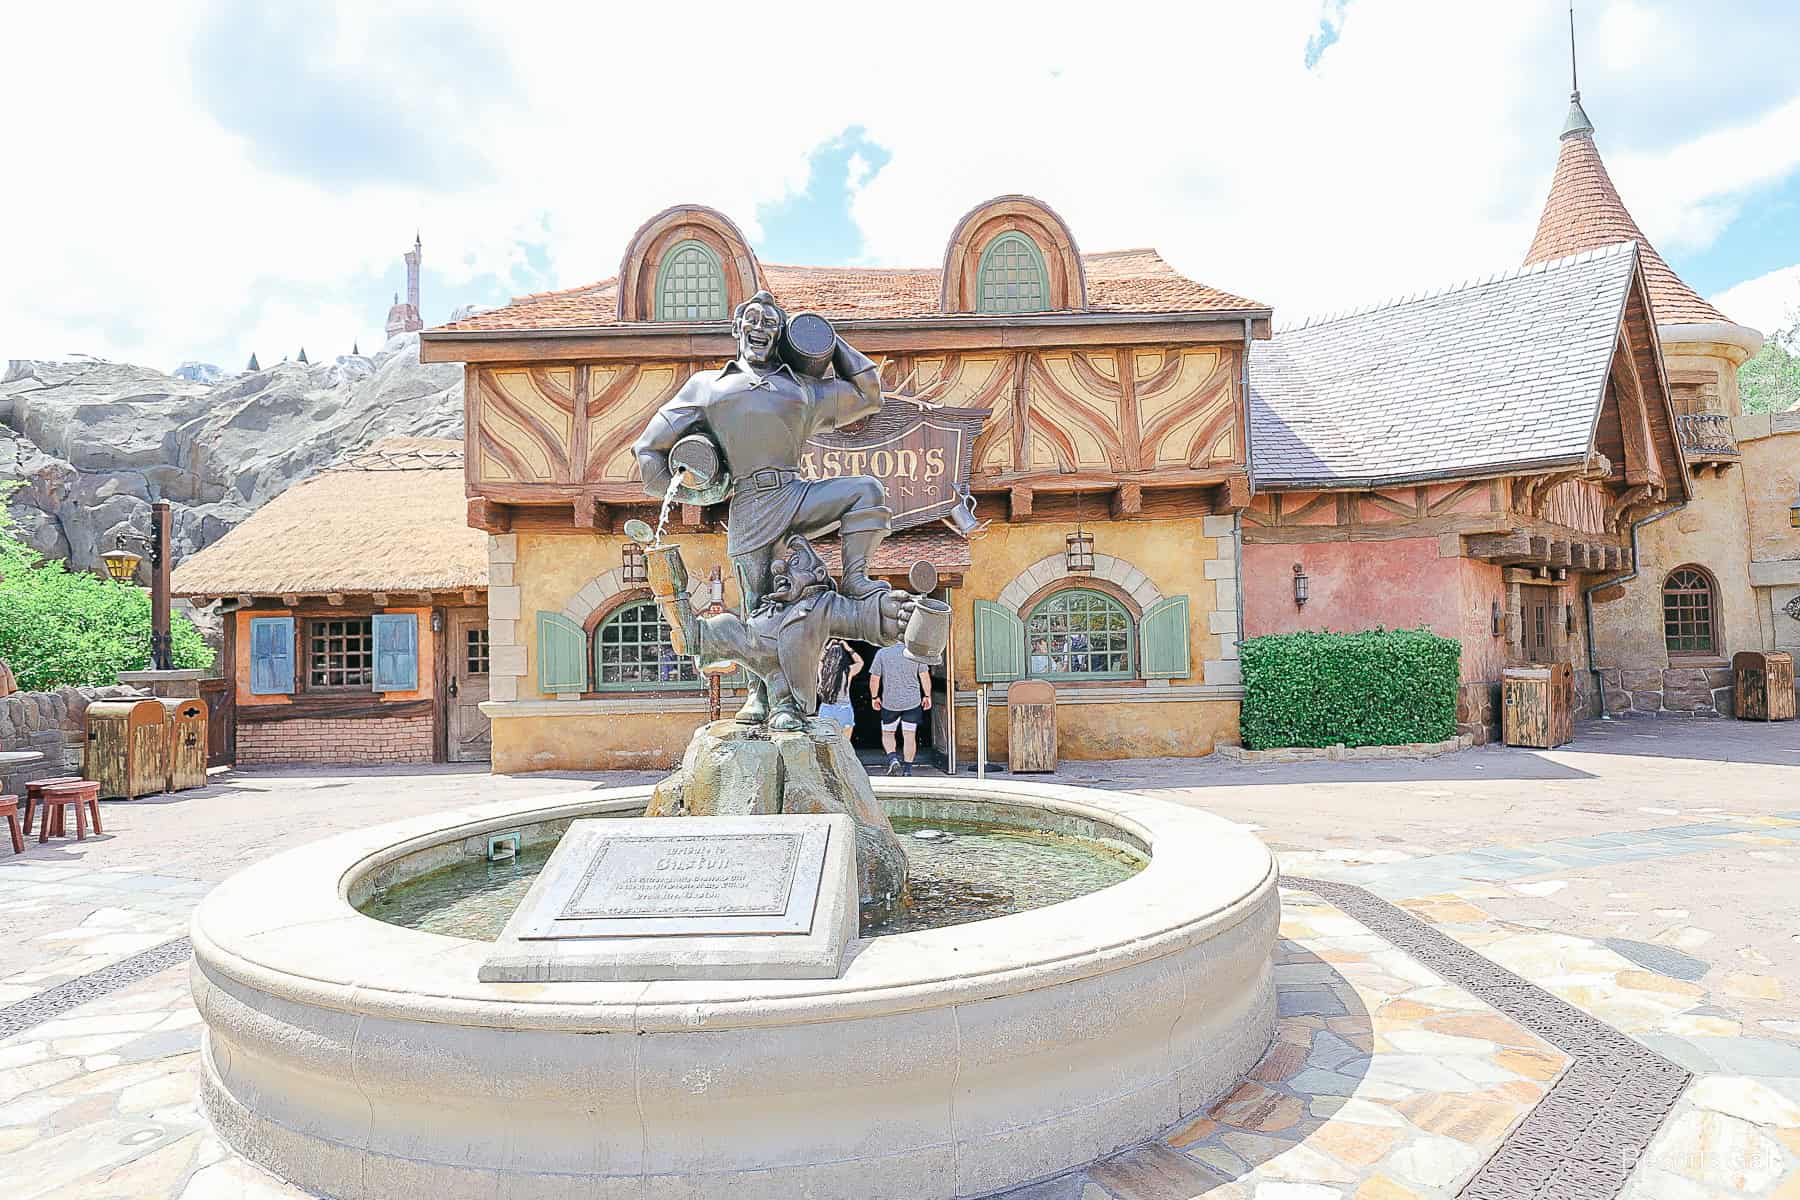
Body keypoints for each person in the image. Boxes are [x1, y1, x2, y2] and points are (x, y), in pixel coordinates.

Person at [632, 290, 892, 727]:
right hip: (749, 502)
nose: (760, 329)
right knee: (758, 607)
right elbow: (648, 450)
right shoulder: (707, 386)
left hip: (795, 491)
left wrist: (824, 340)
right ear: (736, 328)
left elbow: (869, 393)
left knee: (865, 490)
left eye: (771, 324)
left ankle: (858, 582)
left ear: (780, 334)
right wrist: (695, 494)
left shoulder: (801, 388)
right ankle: (763, 695)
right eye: (752, 320)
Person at [870, 641, 931, 776]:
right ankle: (907, 770)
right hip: (912, 702)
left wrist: (874, 697)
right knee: (909, 735)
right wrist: (927, 695)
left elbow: (875, 678)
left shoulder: (882, 653)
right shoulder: (916, 653)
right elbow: (924, 676)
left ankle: (893, 759)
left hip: (890, 703)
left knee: (888, 733)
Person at [816, 639, 863, 737]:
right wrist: (848, 648)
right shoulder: (848, 671)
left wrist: (828, 647)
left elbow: (819, 660)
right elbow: (860, 662)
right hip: (844, 709)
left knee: (826, 745)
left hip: (826, 709)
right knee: (845, 745)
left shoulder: (824, 671)